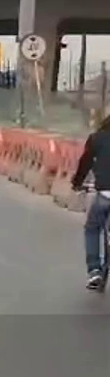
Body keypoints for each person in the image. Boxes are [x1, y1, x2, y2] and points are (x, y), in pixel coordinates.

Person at [71, 114, 110, 290]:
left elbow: (85, 162)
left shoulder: (96, 138)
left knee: (92, 228)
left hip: (104, 193)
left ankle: (94, 270)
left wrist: (77, 183)